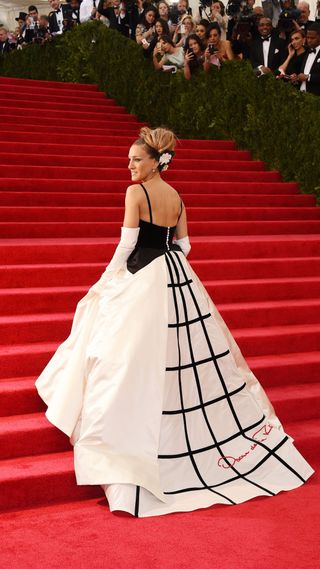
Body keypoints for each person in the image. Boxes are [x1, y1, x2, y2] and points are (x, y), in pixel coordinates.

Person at [35, 125, 315, 518]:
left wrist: (108, 279)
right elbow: (184, 246)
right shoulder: (177, 196)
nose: (129, 166)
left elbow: (128, 244)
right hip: (176, 276)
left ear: (155, 162)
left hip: (142, 277)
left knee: (122, 352)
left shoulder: (137, 193)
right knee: (185, 354)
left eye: (136, 160)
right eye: (129, 159)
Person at [293, 23, 320, 94]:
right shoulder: (307, 51)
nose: (309, 40)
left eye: (312, 38)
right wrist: (297, 77)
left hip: (315, 96)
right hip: (301, 93)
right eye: (308, 37)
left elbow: (306, 76)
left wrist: (308, 77)